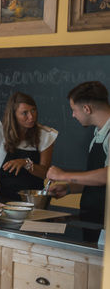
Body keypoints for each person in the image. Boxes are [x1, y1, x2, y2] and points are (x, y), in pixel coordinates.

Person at [47, 81, 110, 235]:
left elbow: (106, 176)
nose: (73, 115)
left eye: (74, 110)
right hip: (93, 218)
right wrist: (69, 188)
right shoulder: (98, 133)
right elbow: (95, 179)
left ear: (86, 109)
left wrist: (61, 175)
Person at [0, 92, 58, 202]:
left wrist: (25, 163)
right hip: (2, 199)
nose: (31, 116)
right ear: (13, 115)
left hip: (33, 202)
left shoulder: (45, 134)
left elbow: (44, 173)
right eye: (24, 113)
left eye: (33, 110)